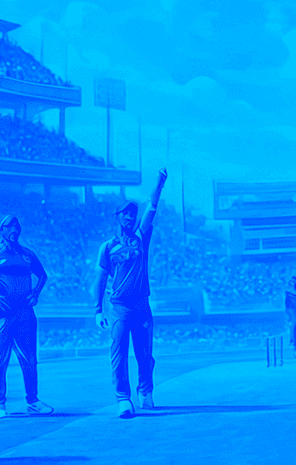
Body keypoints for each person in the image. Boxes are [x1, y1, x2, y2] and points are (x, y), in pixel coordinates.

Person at [94, 168, 169, 419]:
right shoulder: (107, 247)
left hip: (141, 305)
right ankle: (123, 398)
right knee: (118, 352)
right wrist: (97, 310)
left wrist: (159, 184)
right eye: (125, 213)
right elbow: (100, 279)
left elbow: (152, 207)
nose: (130, 217)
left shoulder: (141, 237)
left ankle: (145, 390)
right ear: (118, 217)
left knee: (145, 353)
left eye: (133, 214)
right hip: (119, 306)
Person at [0, 215, 53, 418]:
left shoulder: (27, 254)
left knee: (30, 359)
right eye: (9, 226)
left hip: (26, 314)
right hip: (5, 314)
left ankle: (33, 401)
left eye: (17, 226)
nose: (14, 230)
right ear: (2, 230)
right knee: (1, 360)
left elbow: (43, 275)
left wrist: (36, 294)